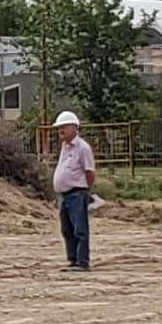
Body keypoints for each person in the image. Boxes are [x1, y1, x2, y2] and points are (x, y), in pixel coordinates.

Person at [52, 110, 96, 271]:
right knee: (67, 229)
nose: (60, 131)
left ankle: (82, 261)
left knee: (80, 229)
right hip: (64, 195)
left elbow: (89, 172)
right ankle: (72, 259)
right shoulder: (65, 147)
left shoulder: (83, 148)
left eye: (63, 127)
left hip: (77, 193)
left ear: (74, 127)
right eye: (59, 128)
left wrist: (84, 190)